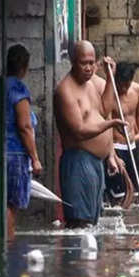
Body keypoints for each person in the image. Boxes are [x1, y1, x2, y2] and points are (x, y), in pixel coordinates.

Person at [54, 41, 126, 228]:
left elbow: (103, 109)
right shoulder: (65, 90)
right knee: (80, 224)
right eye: (83, 63)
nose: (88, 68)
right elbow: (78, 131)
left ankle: (89, 258)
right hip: (78, 161)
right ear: (73, 62)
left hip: (95, 163)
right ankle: (77, 258)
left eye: (91, 63)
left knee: (93, 224)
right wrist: (111, 124)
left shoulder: (91, 84)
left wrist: (111, 78)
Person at [5, 44, 43, 238]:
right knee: (11, 204)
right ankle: (8, 245)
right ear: (25, 67)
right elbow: (25, 127)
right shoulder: (18, 89)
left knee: (1, 202)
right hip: (15, 155)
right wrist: (35, 158)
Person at [104, 62, 139, 202]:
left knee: (134, 193)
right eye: (121, 85)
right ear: (116, 80)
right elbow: (105, 123)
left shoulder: (136, 90)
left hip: (131, 146)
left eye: (128, 84)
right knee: (119, 195)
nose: (124, 89)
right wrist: (111, 153)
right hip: (116, 147)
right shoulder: (109, 95)